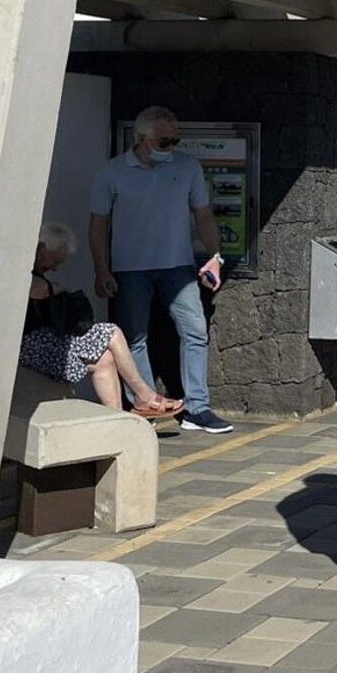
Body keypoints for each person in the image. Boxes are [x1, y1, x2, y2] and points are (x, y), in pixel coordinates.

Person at [88, 105, 233, 435]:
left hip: (179, 266)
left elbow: (204, 214)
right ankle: (144, 404)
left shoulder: (188, 166)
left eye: (175, 140)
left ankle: (198, 407)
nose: (172, 147)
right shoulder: (111, 173)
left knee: (195, 331)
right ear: (143, 138)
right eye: (164, 141)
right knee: (135, 338)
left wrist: (215, 257)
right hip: (129, 268)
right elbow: (97, 224)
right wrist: (101, 269)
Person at [22, 221, 181, 418]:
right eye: (55, 261)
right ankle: (144, 396)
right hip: (29, 346)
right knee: (111, 332)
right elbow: (35, 289)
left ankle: (116, 420)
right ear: (42, 248)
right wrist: (57, 289)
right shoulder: (21, 267)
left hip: (47, 341)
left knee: (104, 359)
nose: (54, 268)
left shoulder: (38, 272)